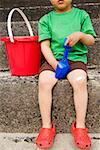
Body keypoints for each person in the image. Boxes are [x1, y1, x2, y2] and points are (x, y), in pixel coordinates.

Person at [35, 0, 96, 149]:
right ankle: (46, 126)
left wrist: (80, 35)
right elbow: (45, 46)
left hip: (75, 59)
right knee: (44, 81)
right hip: (53, 60)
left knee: (80, 80)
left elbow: (91, 40)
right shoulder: (46, 20)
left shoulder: (81, 15)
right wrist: (55, 65)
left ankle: (80, 127)